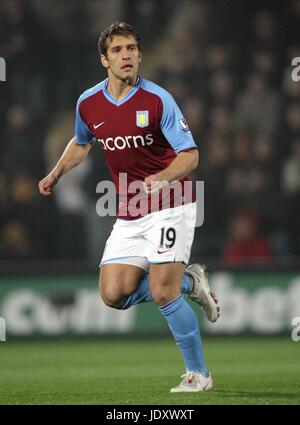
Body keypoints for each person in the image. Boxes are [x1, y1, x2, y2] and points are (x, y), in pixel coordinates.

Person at [39, 22, 220, 393]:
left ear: (140, 55)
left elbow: (191, 156)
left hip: (173, 202)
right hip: (131, 208)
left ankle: (198, 375)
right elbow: (82, 141)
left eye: (133, 49)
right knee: (113, 294)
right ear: (104, 59)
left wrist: (162, 178)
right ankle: (191, 281)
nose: (127, 56)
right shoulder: (88, 102)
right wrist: (56, 173)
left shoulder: (158, 99)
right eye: (119, 50)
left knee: (162, 293)